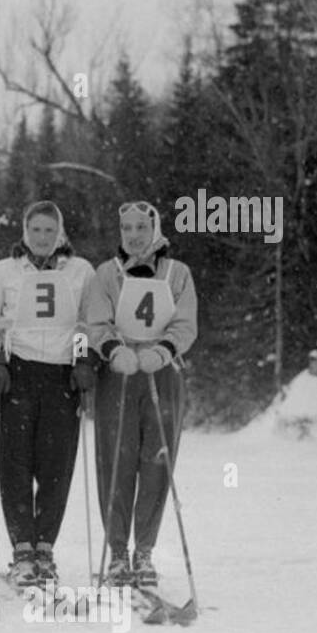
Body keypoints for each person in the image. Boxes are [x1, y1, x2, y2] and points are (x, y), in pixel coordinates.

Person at [83, 200, 198, 587]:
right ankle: (117, 552)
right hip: (120, 372)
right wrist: (114, 350)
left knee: (157, 460)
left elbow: (186, 321)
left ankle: (144, 550)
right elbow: (96, 322)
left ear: (155, 230)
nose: (134, 236)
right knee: (116, 459)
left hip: (161, 371)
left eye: (140, 228)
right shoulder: (106, 274)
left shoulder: (177, 273)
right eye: (127, 229)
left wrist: (163, 350)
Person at [0, 200, 96, 586]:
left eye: (50, 230)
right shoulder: (4, 271)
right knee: (14, 464)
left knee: (56, 466)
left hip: (61, 375)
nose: (43, 238)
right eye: (36, 230)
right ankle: (22, 550)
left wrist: (83, 362)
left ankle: (45, 547)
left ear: (60, 232)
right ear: (24, 232)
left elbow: (86, 322)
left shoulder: (80, 271)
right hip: (19, 372)